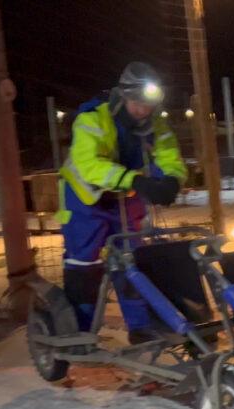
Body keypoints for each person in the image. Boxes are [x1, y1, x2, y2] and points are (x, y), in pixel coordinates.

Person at [57, 62, 187, 341]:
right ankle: (79, 332)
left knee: (132, 260)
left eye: (148, 106)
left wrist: (172, 180)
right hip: (85, 201)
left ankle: (139, 327)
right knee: (84, 267)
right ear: (124, 96)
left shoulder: (154, 123)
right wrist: (137, 180)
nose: (143, 111)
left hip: (124, 199)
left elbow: (169, 156)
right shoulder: (93, 119)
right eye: (137, 104)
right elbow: (90, 164)